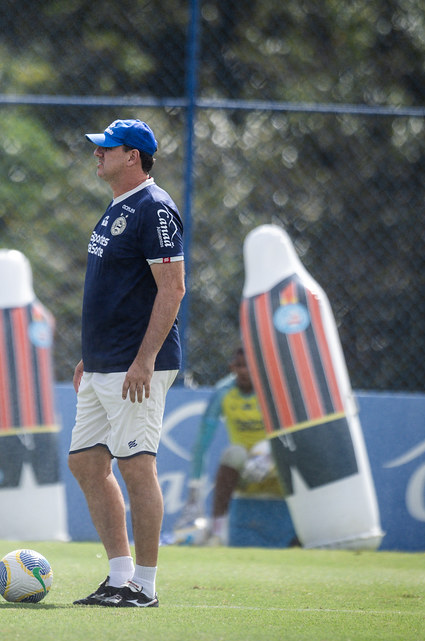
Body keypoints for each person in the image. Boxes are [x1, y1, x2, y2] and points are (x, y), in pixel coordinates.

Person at [68, 119, 186, 608]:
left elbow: (172, 288)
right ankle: (119, 577)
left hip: (136, 366)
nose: (97, 155)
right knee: (86, 463)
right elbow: (114, 293)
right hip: (102, 363)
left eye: (106, 149)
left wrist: (145, 360)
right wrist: (87, 358)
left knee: (137, 467)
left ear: (132, 156)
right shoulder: (117, 207)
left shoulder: (154, 207)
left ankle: (145, 585)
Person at [179, 345, 282, 546]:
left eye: (250, 366)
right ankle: (218, 534)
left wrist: (270, 452)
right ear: (232, 367)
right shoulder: (223, 392)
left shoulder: (274, 391)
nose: (245, 372)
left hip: (275, 465)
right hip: (245, 467)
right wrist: (194, 491)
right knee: (233, 453)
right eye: (241, 366)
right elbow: (202, 443)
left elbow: (291, 431)